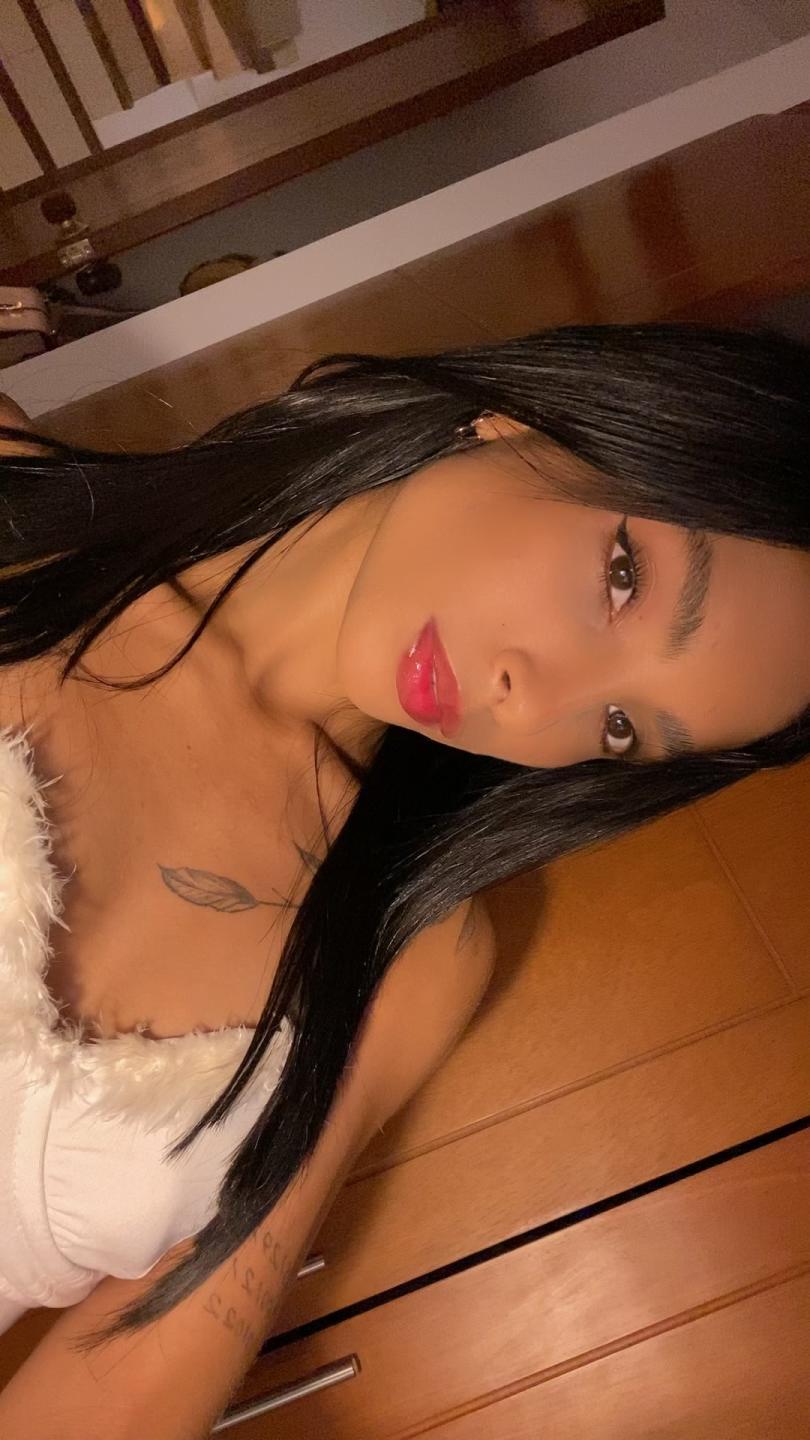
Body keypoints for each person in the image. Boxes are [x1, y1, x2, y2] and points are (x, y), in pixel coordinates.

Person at [0, 322, 808, 1438]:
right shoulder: (22, 511)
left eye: (621, 726)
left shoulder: (408, 956)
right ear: (528, 422)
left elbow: (130, 1386)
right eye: (622, 580)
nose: (533, 696)